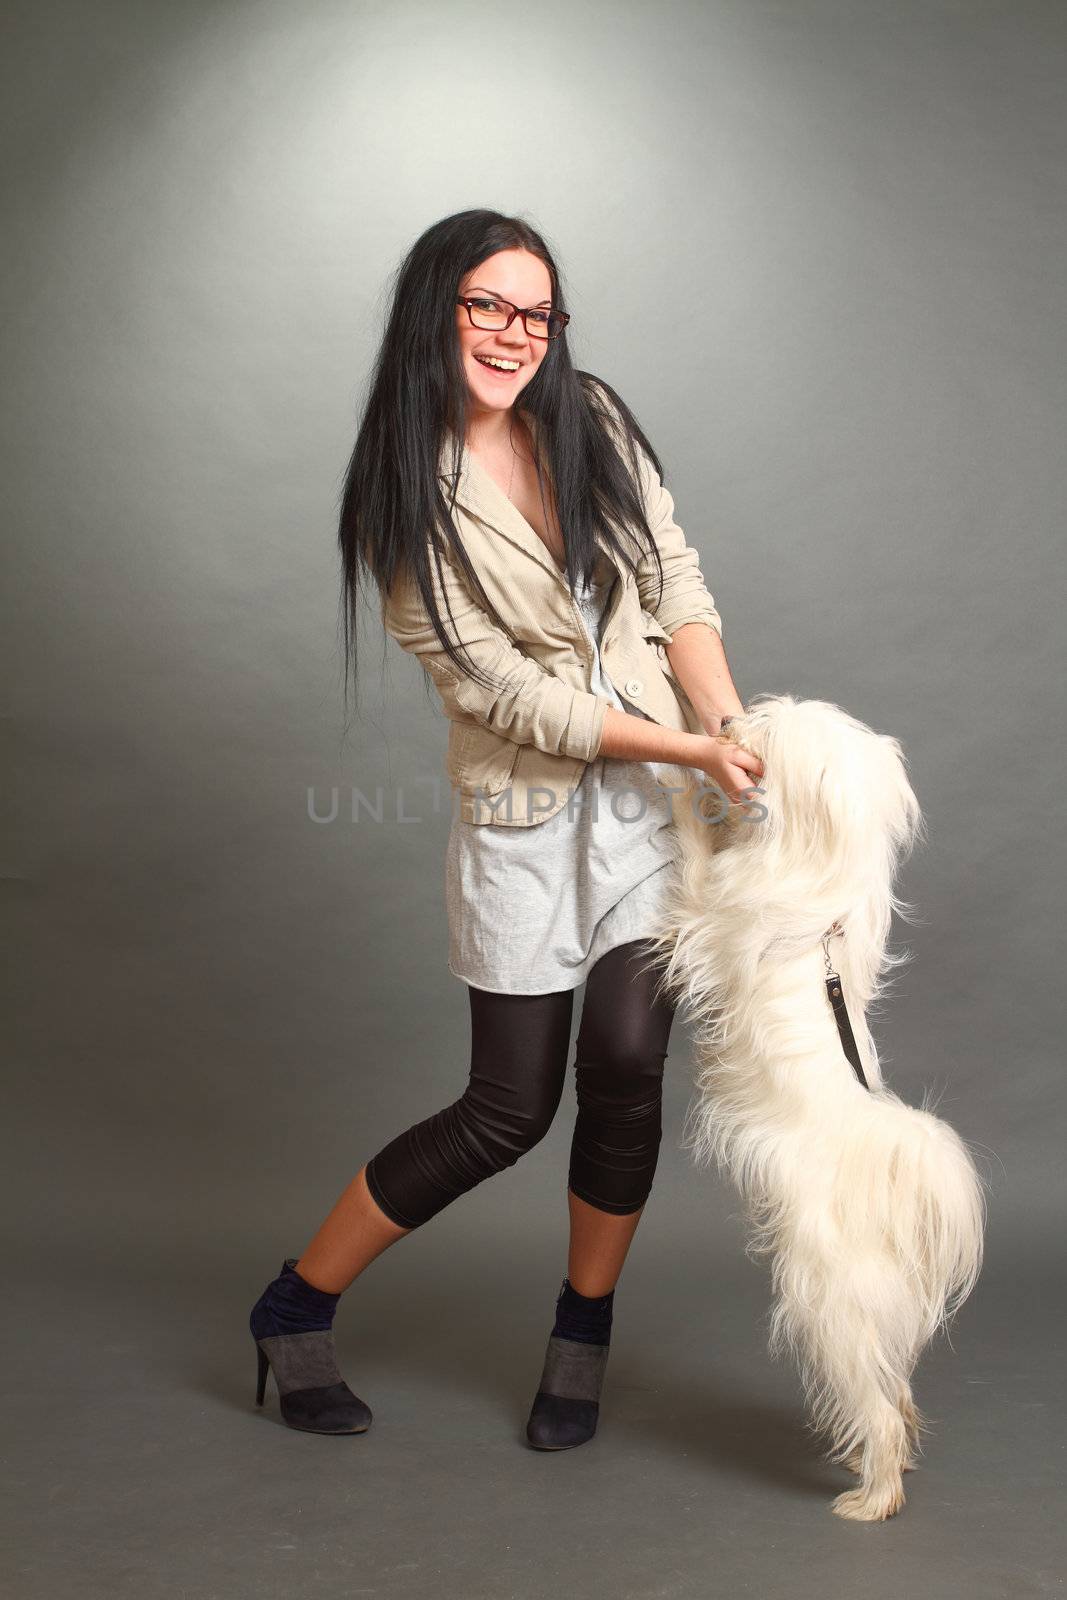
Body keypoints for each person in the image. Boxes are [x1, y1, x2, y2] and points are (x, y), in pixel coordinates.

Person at [249, 209, 763, 1447]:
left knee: (630, 1067)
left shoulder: (594, 417)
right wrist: (689, 746)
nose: (513, 333)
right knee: (507, 1109)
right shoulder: (398, 495)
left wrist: (729, 721)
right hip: (525, 817)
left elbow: (672, 578)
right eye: (487, 304)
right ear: (438, 310)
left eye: (535, 310)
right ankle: (293, 1303)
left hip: (647, 807)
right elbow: (505, 694)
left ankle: (579, 1332)